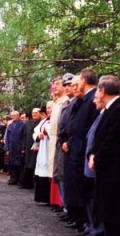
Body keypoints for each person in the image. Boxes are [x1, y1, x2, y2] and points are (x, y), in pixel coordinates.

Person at [63, 68, 99, 232]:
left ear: (83, 81)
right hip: (74, 149)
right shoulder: (81, 101)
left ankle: (90, 224)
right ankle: (83, 221)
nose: (74, 87)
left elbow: (92, 128)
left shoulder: (91, 101)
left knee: (87, 189)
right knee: (78, 187)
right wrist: (67, 140)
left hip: (84, 151)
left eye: (76, 84)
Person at [89, 75, 120, 236]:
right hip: (106, 168)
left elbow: (112, 141)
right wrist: (92, 154)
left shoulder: (117, 110)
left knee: (113, 207)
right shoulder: (110, 109)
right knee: (107, 206)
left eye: (98, 91)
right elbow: (99, 137)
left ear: (103, 91)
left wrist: (96, 157)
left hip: (114, 169)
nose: (97, 95)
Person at [81, 82, 106, 236]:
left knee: (98, 197)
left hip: (102, 163)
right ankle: (95, 227)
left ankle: (100, 230)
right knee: (91, 195)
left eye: (96, 97)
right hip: (92, 159)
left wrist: (94, 154)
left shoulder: (110, 113)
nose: (94, 100)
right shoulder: (103, 113)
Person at [55, 74, 77, 218]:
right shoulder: (65, 104)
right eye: (66, 85)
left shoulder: (72, 103)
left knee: (67, 176)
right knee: (60, 175)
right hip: (61, 144)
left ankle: (70, 210)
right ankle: (67, 208)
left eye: (70, 85)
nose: (68, 87)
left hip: (70, 145)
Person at [48, 76, 69, 208]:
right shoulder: (57, 103)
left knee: (62, 173)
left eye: (57, 84)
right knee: (56, 173)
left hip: (61, 141)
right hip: (54, 141)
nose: (54, 87)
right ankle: (64, 205)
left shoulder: (65, 102)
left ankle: (66, 206)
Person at [34, 102, 53, 204]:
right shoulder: (44, 121)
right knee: (41, 172)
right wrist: (38, 136)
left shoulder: (53, 120)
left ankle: (49, 199)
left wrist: (47, 130)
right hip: (42, 148)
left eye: (50, 108)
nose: (48, 110)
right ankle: (41, 197)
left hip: (50, 148)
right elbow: (35, 131)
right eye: (47, 108)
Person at [20, 108, 40, 189]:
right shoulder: (27, 123)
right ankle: (27, 183)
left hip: (37, 147)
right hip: (28, 147)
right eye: (33, 113)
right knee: (27, 165)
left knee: (36, 165)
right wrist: (23, 147)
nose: (34, 114)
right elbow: (23, 136)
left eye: (36, 113)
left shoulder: (41, 122)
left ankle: (35, 183)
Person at [4, 111, 25, 185]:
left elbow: (24, 137)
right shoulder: (10, 125)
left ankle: (19, 179)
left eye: (15, 116)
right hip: (11, 147)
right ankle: (13, 178)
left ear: (18, 116)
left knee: (19, 164)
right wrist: (7, 148)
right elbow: (7, 137)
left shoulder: (22, 124)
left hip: (19, 147)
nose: (13, 117)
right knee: (11, 164)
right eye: (12, 116)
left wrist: (23, 148)